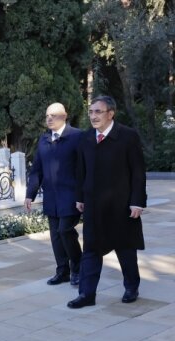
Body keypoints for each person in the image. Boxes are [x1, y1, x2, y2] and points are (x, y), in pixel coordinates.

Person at [67, 95, 147, 308]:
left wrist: (137, 201)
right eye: (91, 112)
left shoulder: (128, 137)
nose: (93, 116)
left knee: (125, 248)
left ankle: (131, 287)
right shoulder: (85, 138)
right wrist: (79, 197)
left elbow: (138, 172)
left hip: (122, 205)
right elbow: (80, 171)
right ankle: (86, 294)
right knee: (91, 249)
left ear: (111, 114)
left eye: (98, 112)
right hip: (94, 205)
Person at [25, 103, 82, 286]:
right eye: (47, 115)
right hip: (51, 197)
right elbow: (37, 170)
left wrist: (84, 195)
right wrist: (30, 194)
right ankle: (62, 271)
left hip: (72, 195)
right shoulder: (43, 140)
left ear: (64, 116)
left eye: (54, 115)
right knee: (55, 236)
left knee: (65, 230)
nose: (49, 118)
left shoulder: (77, 136)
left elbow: (85, 168)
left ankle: (78, 268)